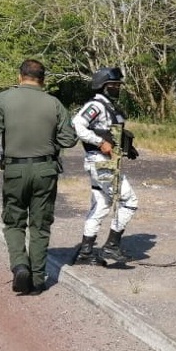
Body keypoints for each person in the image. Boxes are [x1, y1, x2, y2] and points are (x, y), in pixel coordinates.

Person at [0, 59, 78, 294]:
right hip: (46, 170)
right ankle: (37, 279)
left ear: (19, 76)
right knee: (40, 225)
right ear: (43, 79)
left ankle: (20, 265)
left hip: (15, 170)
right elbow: (69, 139)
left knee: (14, 222)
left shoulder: (3, 99)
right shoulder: (54, 103)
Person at [71, 66, 139, 264]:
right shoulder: (97, 106)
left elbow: (110, 132)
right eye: (114, 85)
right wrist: (100, 143)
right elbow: (77, 124)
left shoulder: (109, 106)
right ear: (103, 86)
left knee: (101, 203)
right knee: (130, 201)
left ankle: (86, 252)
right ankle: (111, 246)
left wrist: (128, 147)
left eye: (118, 84)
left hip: (105, 162)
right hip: (101, 162)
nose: (118, 87)